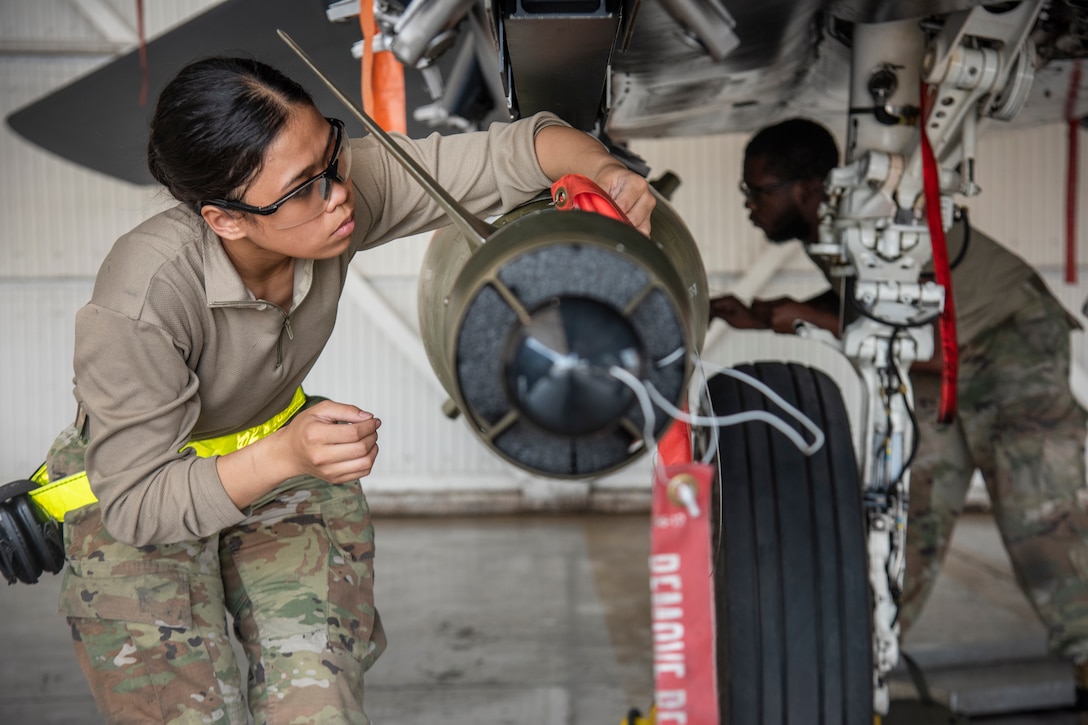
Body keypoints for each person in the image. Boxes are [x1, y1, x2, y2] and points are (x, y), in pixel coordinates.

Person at [41, 55, 656, 725]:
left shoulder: (340, 190)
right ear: (226, 220)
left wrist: (606, 171)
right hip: (143, 487)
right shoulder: (142, 297)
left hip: (277, 452)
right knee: (180, 711)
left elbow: (523, 147)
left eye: (330, 152)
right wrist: (288, 456)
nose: (338, 192)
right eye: (303, 187)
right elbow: (135, 502)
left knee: (317, 702)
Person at [710, 117, 1088, 702]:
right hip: (943, 360)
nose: (750, 207)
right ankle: (855, 670)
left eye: (756, 192)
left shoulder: (876, 222)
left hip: (1007, 343)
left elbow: (932, 344)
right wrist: (766, 315)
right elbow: (866, 303)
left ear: (806, 189)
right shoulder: (831, 227)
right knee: (904, 513)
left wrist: (809, 320)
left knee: (1039, 516)